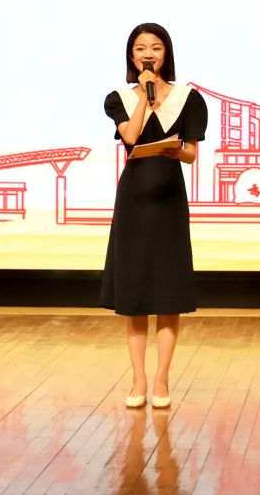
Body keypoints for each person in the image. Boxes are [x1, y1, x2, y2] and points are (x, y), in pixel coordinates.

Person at [99, 22, 207, 410]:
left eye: (156, 47)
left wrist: (175, 150)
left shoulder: (188, 98)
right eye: (141, 48)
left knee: (167, 290)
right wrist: (146, 98)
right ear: (132, 56)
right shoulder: (119, 98)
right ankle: (138, 379)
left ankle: (162, 378)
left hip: (169, 196)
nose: (149, 54)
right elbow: (130, 137)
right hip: (134, 198)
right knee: (135, 292)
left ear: (166, 54)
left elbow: (191, 154)